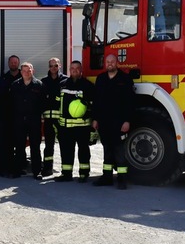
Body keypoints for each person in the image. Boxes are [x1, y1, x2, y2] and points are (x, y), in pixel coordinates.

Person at [93, 54, 135, 190]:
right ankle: (107, 177)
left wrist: (127, 121)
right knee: (107, 150)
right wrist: (95, 118)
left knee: (119, 150)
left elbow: (130, 102)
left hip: (119, 122)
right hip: (104, 122)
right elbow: (96, 101)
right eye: (107, 62)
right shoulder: (101, 79)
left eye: (112, 61)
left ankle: (122, 179)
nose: (110, 64)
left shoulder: (125, 79)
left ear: (117, 63)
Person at [55, 60, 94, 183]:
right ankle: (66, 174)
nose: (75, 70)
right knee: (66, 151)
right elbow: (57, 104)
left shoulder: (88, 86)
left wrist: (93, 124)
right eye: (72, 68)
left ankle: (84, 174)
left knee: (83, 151)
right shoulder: (62, 84)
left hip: (82, 126)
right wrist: (57, 124)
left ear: (81, 70)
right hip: (65, 126)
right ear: (69, 70)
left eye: (77, 68)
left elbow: (94, 106)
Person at [9, 62, 44, 179]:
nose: (26, 72)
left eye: (28, 70)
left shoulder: (39, 85)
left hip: (34, 120)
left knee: (35, 146)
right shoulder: (15, 85)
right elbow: (11, 103)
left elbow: (43, 103)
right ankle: (18, 170)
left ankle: (37, 171)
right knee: (19, 146)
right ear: (20, 72)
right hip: (19, 120)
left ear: (32, 71)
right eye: (24, 70)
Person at [40, 57, 68, 177]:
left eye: (56, 66)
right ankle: (47, 168)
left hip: (61, 119)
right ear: (48, 67)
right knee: (48, 145)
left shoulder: (66, 80)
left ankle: (66, 170)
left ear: (60, 66)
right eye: (51, 66)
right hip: (48, 119)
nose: (53, 68)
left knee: (64, 144)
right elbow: (40, 100)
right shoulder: (44, 81)